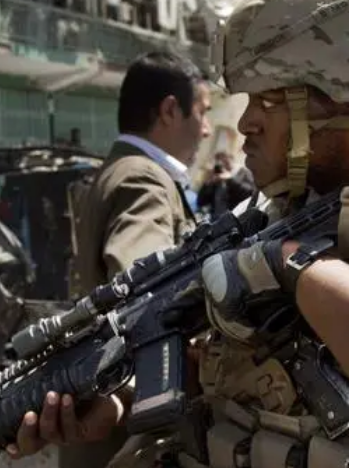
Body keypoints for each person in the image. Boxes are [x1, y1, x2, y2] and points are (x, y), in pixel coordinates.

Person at [7, 0, 349, 467]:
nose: (244, 123)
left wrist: (291, 266)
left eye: (269, 100)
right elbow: (224, 366)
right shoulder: (266, 211)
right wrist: (118, 400)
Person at [60, 49, 211, 468]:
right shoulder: (142, 177)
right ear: (170, 110)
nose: (207, 129)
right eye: (203, 112)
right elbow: (146, 294)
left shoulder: (120, 168)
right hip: (126, 441)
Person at [197, 151, 254, 219]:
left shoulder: (243, 173)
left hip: (236, 219)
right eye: (220, 163)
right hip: (215, 219)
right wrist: (208, 182)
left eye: (225, 161)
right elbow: (201, 202)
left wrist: (230, 180)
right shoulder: (217, 177)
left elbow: (249, 193)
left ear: (231, 159)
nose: (224, 165)